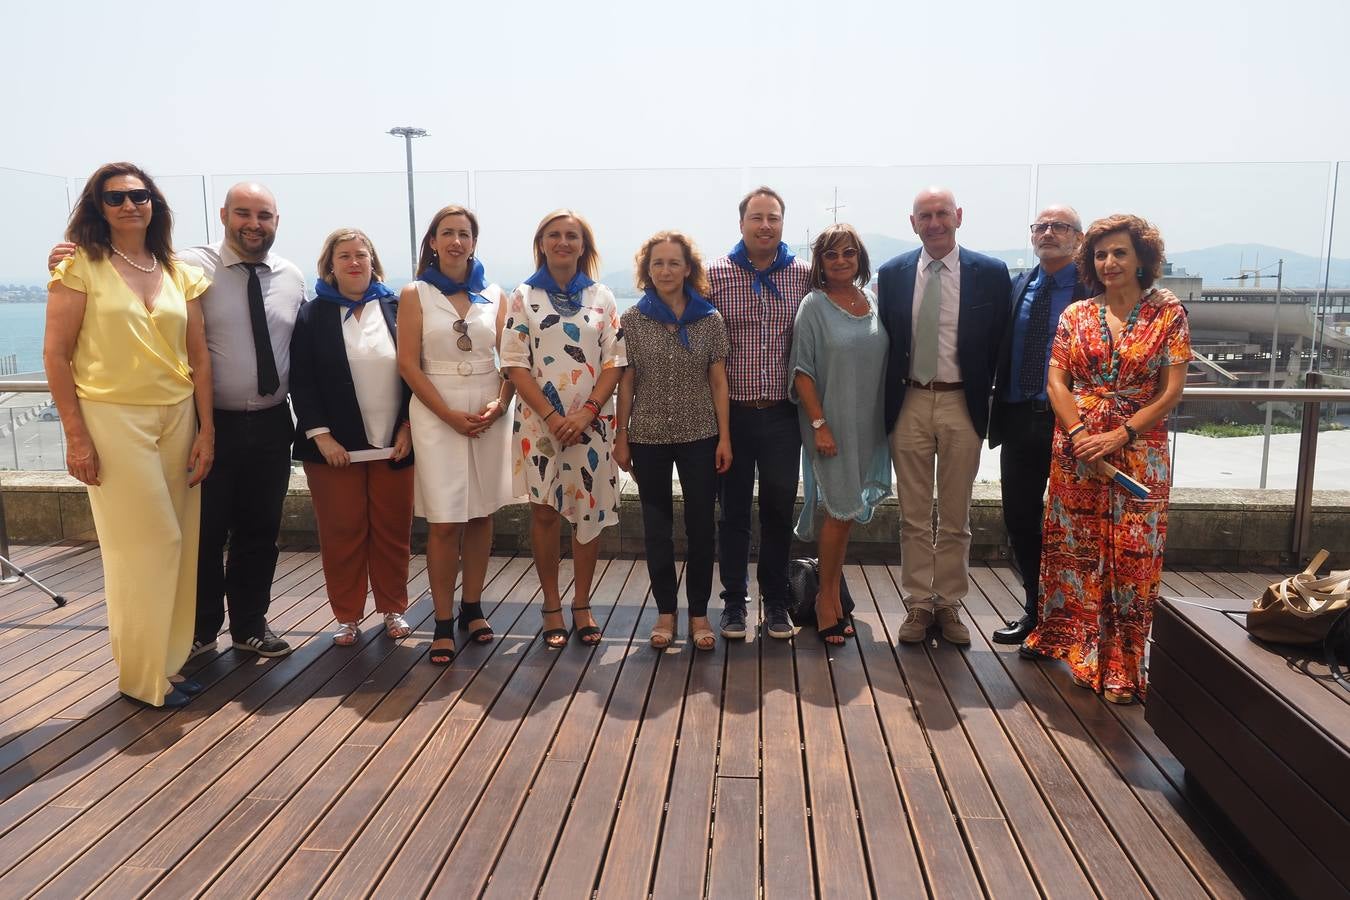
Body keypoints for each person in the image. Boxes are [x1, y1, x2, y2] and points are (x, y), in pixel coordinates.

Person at [48, 182, 305, 659]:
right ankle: (199, 629)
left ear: (276, 221)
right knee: (201, 533)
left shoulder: (291, 276)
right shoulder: (184, 265)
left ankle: (250, 625)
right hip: (206, 423)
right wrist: (65, 256)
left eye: (264, 215)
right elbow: (126, 271)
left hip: (272, 422)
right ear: (225, 215)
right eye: (243, 213)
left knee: (260, 530)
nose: (254, 224)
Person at [43, 162, 214, 708]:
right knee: (146, 545)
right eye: (114, 198)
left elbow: (200, 357)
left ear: (154, 203)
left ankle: (166, 663)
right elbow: (56, 354)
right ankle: (142, 678)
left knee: (180, 545)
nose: (128, 205)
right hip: (112, 417)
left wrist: (207, 429)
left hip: (178, 414)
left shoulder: (177, 269)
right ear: (98, 208)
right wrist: (75, 435)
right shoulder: (79, 268)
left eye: (138, 195)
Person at [1021, 214, 1190, 704]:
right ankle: (1077, 646)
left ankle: (1122, 663)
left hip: (1139, 452)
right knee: (1075, 550)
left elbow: (1171, 389)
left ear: (1142, 258)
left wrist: (1121, 433)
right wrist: (1077, 433)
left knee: (1133, 560)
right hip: (1076, 450)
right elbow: (1057, 381)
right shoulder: (1076, 314)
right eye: (1100, 254)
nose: (1109, 262)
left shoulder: (1168, 313)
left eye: (1119, 252)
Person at [877, 187, 1012, 646]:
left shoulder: (991, 273)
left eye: (942, 214)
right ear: (912, 223)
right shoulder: (892, 273)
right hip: (909, 401)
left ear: (959, 216)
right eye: (924, 216)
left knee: (956, 514)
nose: (934, 223)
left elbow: (1001, 342)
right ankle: (918, 604)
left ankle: (949, 603)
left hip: (962, 402)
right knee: (913, 515)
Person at [398, 206, 517, 664]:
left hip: (489, 406)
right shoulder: (416, 293)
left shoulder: (494, 293)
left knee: (482, 513)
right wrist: (447, 413)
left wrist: (502, 401)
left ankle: (473, 607)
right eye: (447, 233)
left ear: (474, 241)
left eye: (464, 234)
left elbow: (512, 357)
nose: (456, 241)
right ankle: (443, 621)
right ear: (432, 241)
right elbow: (408, 363)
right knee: (445, 520)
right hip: (436, 408)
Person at [502, 210, 626, 649]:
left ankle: (582, 603)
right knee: (544, 512)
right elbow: (514, 363)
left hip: (592, 425)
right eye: (554, 235)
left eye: (571, 236)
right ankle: (551, 604)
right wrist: (555, 418)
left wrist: (588, 411)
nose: (563, 242)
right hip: (541, 425)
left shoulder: (603, 297)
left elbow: (615, 361)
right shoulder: (523, 295)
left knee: (588, 515)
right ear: (541, 242)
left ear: (584, 245)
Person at [290, 228, 414, 647]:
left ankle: (394, 608)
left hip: (394, 443)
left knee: (393, 530)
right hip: (335, 448)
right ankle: (346, 616)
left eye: (361, 254)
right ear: (330, 265)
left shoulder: (398, 307)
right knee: (342, 532)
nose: (354, 262)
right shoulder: (312, 314)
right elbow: (301, 381)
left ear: (373, 261)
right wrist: (322, 437)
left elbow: (418, 371)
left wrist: (408, 426)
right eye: (344, 256)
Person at [613, 231, 731, 651]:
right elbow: (626, 382)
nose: (665, 270)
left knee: (702, 528)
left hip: (701, 435)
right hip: (647, 437)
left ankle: (699, 614)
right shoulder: (631, 320)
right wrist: (621, 436)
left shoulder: (710, 319)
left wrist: (725, 439)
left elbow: (719, 383)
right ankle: (666, 612)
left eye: (674, 263)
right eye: (657, 263)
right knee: (657, 529)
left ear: (688, 269)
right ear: (647, 270)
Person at [707, 187, 811, 640]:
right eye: (756, 217)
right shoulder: (715, 275)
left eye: (773, 217)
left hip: (783, 416)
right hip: (730, 417)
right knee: (731, 513)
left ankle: (776, 601)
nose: (764, 225)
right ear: (741, 223)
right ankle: (733, 601)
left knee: (777, 508)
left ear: (782, 223)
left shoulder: (804, 275)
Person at [988, 206, 1089, 645]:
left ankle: (1076, 620)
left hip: (1072, 424)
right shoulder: (1018, 286)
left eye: (1059, 227)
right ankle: (1037, 611)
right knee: (1020, 519)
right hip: (1016, 419)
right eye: (1041, 227)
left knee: (1074, 524)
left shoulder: (1094, 290)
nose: (1048, 233)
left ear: (1079, 239)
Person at [789, 225, 891, 644]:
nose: (841, 260)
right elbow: (802, 373)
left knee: (845, 515)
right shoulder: (813, 306)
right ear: (820, 263)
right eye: (831, 255)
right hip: (829, 426)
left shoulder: (873, 300)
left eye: (849, 253)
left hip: (867, 424)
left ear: (860, 258)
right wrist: (819, 425)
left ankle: (832, 590)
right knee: (836, 512)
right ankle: (825, 600)